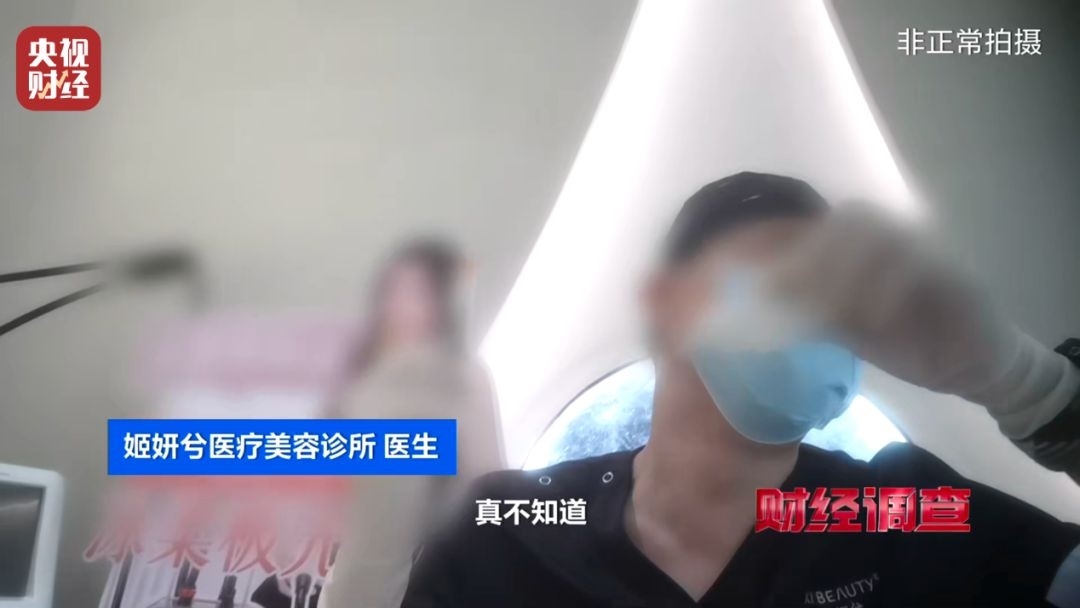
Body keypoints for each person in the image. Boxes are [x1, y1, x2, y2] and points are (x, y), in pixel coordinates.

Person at [401, 172, 1080, 607]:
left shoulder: (901, 512)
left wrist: (1032, 388)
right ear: (666, 307)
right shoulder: (511, 525)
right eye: (783, 277)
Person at [321, 238, 505, 608]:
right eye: (393, 292)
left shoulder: (463, 376)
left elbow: (489, 483)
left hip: (425, 572)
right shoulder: (365, 372)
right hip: (348, 569)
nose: (399, 307)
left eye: (417, 293)